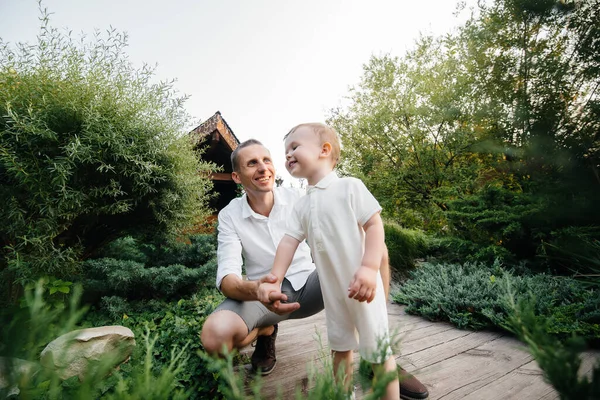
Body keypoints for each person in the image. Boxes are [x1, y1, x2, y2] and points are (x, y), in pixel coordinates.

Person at [200, 139, 428, 400]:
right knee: (215, 336)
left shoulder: (301, 197)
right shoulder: (229, 215)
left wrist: (363, 262)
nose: (263, 168)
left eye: (267, 160)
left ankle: (378, 350)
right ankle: (265, 331)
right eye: (252, 163)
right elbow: (227, 278)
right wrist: (259, 289)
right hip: (265, 295)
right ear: (237, 177)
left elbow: (349, 226)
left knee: (378, 252)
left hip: (314, 284)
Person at [257, 123, 418, 400]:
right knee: (340, 349)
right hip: (334, 294)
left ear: (324, 150)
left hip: (364, 288)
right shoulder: (302, 205)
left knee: (378, 352)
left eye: (294, 147)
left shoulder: (349, 187)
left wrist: (369, 269)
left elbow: (374, 225)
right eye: (285, 151)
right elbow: (288, 242)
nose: (288, 155)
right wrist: (275, 277)